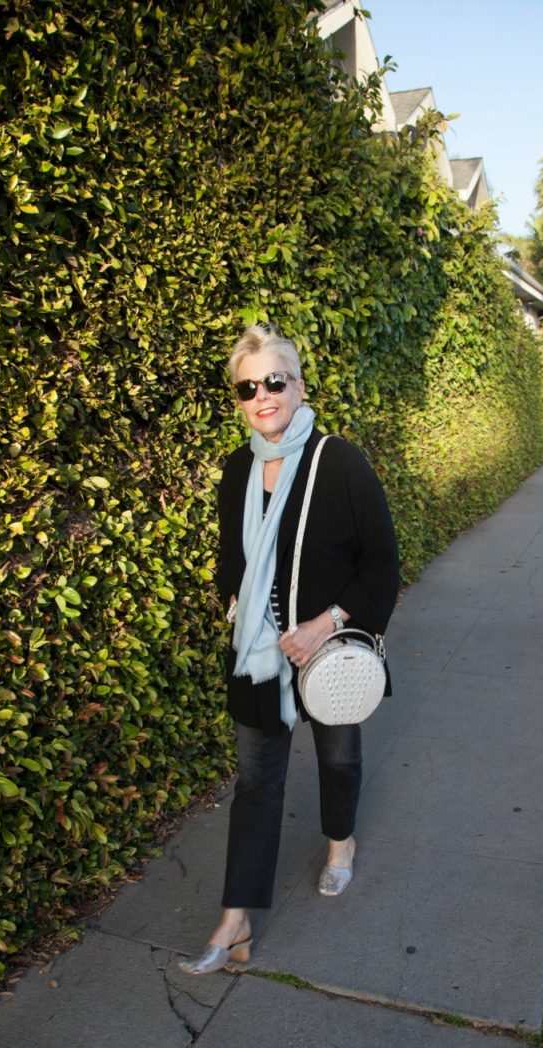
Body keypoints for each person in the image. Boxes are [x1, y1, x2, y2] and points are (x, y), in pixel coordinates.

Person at [180, 325, 399, 975]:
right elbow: (230, 558)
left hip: (326, 653)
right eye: (249, 387)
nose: (263, 395)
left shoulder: (341, 462)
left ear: (300, 386)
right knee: (257, 782)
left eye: (275, 380)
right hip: (260, 655)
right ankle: (236, 918)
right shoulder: (238, 469)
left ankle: (339, 845)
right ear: (240, 399)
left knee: (337, 756)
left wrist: (324, 623)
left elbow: (381, 564)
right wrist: (237, 609)